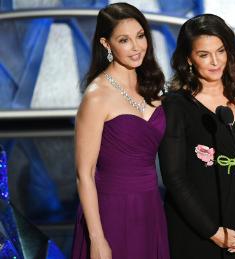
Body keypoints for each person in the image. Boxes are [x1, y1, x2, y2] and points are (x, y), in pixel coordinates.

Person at [158, 14, 235, 259]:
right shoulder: (176, 105)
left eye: (220, 51)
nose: (215, 61)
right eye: (203, 55)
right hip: (198, 232)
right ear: (188, 58)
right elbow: (174, 178)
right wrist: (213, 232)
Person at [71, 3, 169, 259]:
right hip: (111, 212)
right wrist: (97, 239)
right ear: (106, 44)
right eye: (124, 40)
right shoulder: (97, 96)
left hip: (150, 207)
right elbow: (85, 174)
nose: (136, 47)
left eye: (140, 36)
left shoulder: (152, 87)